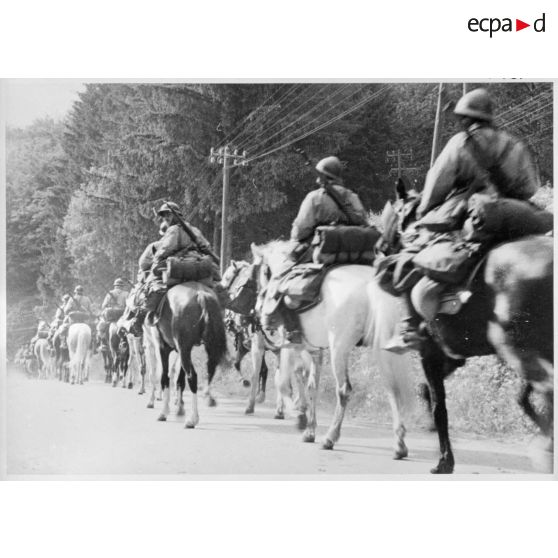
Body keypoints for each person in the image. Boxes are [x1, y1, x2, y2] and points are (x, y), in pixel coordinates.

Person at [384, 88, 546, 354]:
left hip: (472, 213)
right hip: (518, 214)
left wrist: (426, 211)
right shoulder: (515, 144)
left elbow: (437, 184)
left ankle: (410, 329)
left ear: (465, 118)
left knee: (411, 256)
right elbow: (529, 187)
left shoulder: (460, 142)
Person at [266, 156, 369, 344]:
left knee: (282, 280)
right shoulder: (352, 197)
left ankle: (292, 331)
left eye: (319, 176)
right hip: (355, 253)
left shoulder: (315, 198)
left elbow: (300, 229)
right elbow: (364, 221)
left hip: (322, 250)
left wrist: (295, 243)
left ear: (323, 177)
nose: (316, 180)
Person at [128, 201, 216, 334]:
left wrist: (157, 260)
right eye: (163, 217)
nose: (165, 219)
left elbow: (165, 249)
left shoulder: (173, 230)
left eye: (168, 215)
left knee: (150, 286)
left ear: (176, 215)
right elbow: (206, 247)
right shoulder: (195, 230)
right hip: (197, 263)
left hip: (177, 263)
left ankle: (139, 318)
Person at [97, 278, 130, 343]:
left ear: (115, 286)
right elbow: (129, 305)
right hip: (123, 315)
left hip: (112, 315)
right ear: (122, 286)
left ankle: (102, 341)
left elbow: (103, 305)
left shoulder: (111, 293)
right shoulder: (127, 293)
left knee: (101, 324)